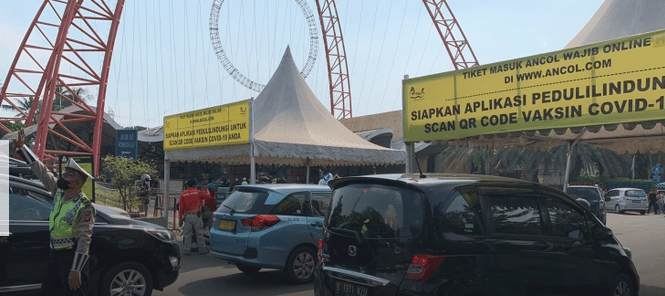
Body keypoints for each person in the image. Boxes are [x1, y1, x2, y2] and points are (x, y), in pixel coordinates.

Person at [13, 129, 95, 296]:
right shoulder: (59, 193)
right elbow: (42, 171)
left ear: (77, 183)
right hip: (55, 255)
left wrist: (75, 270)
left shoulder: (84, 206)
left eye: (68, 176)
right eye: (64, 174)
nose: (63, 177)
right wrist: (23, 149)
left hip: (71, 258)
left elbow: (84, 240)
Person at [178, 179, 208, 255]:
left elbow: (181, 208)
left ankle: (187, 250)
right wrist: (206, 190)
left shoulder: (183, 194)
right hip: (196, 216)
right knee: (200, 234)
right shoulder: (198, 192)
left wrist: (180, 219)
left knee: (187, 234)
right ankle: (202, 250)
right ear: (194, 186)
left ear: (187, 185)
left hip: (187, 216)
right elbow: (207, 198)